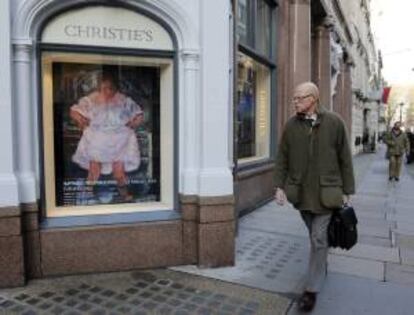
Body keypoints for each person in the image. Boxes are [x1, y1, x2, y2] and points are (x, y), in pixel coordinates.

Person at [274, 82, 355, 312]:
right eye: (294, 98)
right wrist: (279, 186)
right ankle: (321, 263)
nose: (295, 101)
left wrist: (348, 191)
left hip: (327, 194)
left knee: (319, 239)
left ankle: (311, 290)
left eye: (299, 98)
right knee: (315, 237)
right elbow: (282, 158)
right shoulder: (291, 126)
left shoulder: (335, 122)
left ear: (313, 99)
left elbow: (345, 159)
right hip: (300, 195)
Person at [70, 72, 144, 202]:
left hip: (120, 138)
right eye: (105, 88)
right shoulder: (92, 99)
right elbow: (74, 111)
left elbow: (139, 114)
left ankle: (125, 196)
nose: (108, 91)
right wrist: (81, 120)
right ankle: (88, 193)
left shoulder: (123, 100)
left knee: (119, 171)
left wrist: (134, 123)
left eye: (111, 88)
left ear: (115, 88)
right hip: (97, 138)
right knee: (94, 168)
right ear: (100, 87)